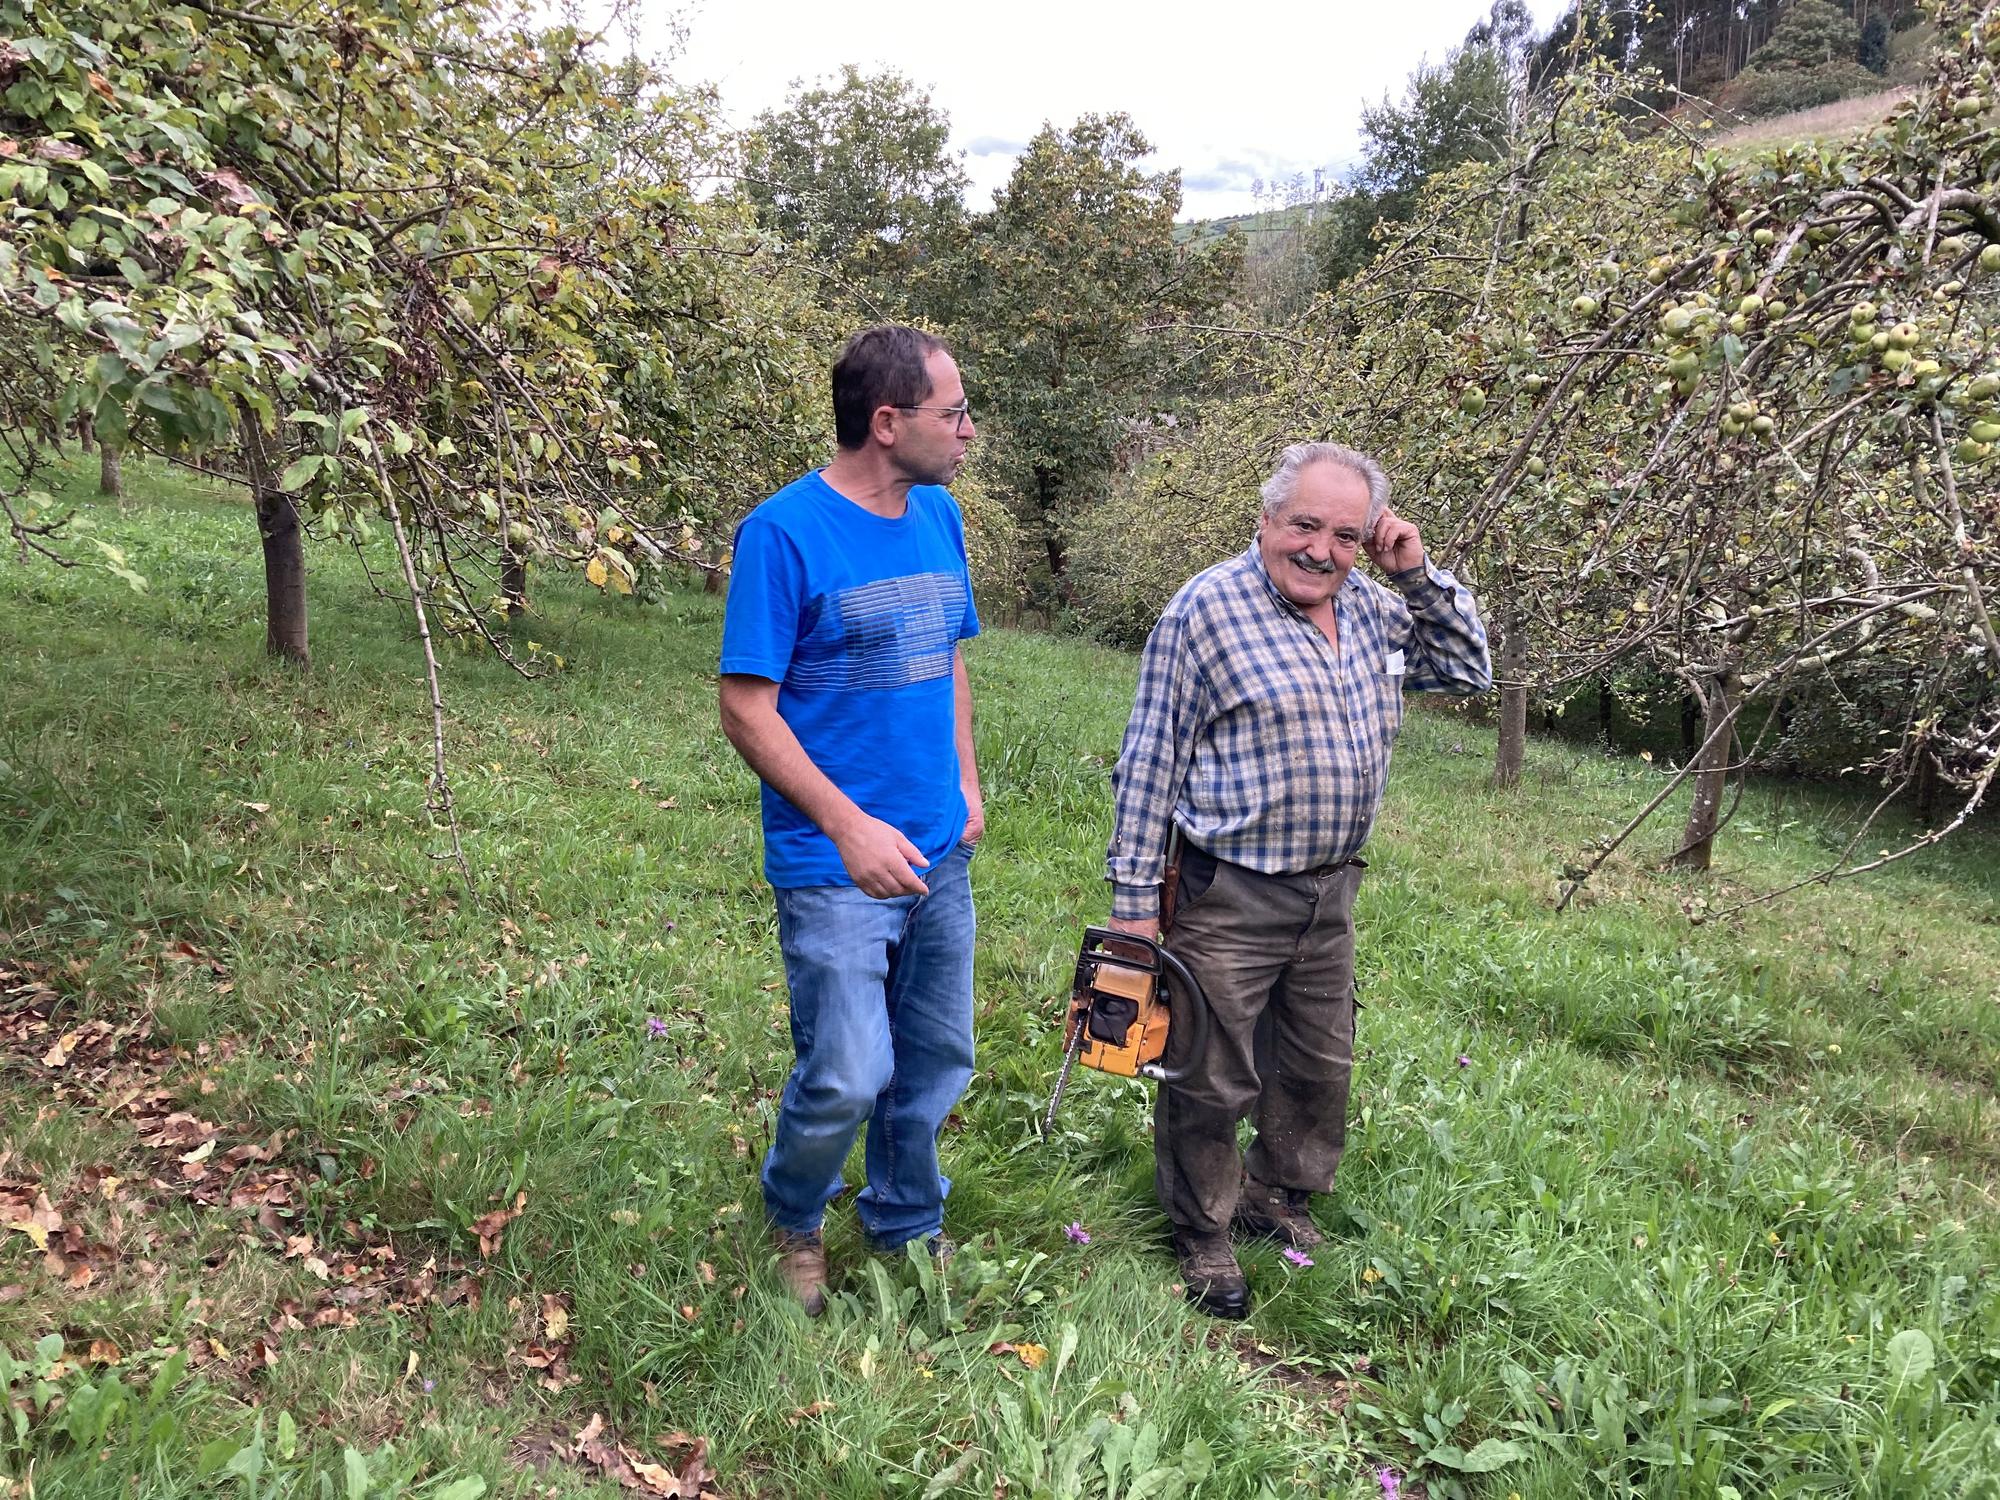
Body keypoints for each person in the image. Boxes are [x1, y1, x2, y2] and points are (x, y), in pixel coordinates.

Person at [1104, 440, 1491, 1318]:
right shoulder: (1204, 612)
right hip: (1230, 890)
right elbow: (1150, 760)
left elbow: (1468, 668)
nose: (1322, 550)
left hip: (1330, 890)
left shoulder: (1375, 612)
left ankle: (1277, 1197)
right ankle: (1202, 1229)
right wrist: (1133, 913)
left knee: (1318, 1062)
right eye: (1305, 525)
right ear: (1267, 520)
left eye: (1346, 535)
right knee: (1210, 1066)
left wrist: (1418, 571)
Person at [718, 325, 984, 1317]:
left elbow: (951, 652)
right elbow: (746, 707)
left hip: (935, 848)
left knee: (932, 1060)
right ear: (887, 423)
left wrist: (962, 783)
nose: (966, 431)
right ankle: (794, 1213)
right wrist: (845, 828)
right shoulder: (782, 535)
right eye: (951, 413)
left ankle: (907, 1219)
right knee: (845, 1071)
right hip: (833, 861)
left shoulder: (939, 519)